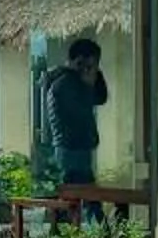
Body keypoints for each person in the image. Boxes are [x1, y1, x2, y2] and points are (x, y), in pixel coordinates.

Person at [41, 36, 108, 193]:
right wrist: (89, 83)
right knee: (78, 199)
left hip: (75, 148)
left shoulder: (69, 81)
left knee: (81, 199)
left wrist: (92, 79)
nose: (91, 70)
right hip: (71, 149)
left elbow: (101, 98)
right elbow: (80, 109)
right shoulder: (66, 83)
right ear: (79, 61)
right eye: (89, 65)